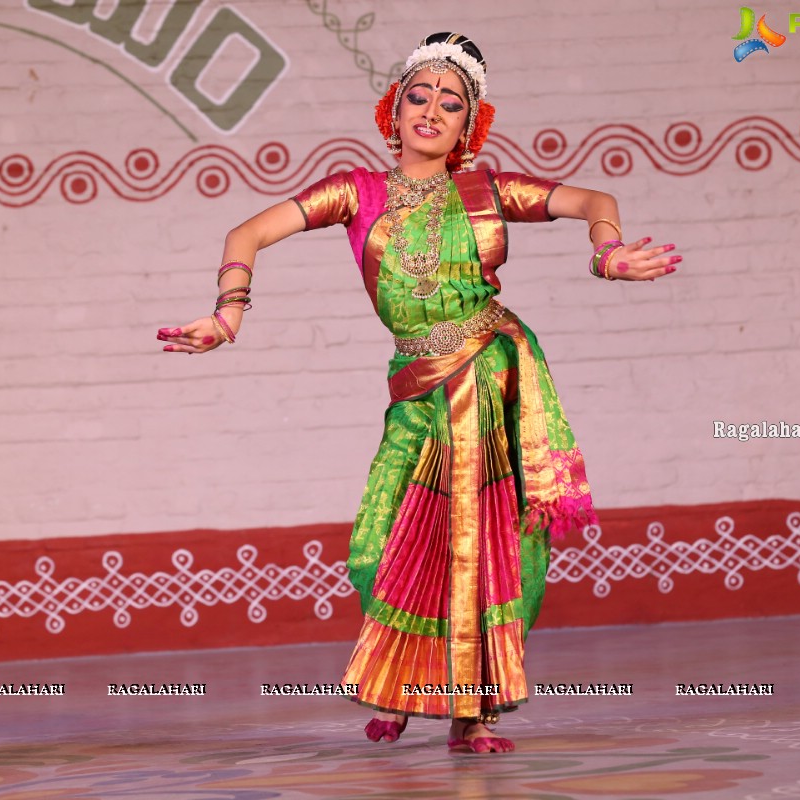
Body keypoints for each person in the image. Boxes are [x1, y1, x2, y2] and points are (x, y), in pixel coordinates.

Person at [158, 32, 679, 754]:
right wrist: (228, 314)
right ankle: (402, 684)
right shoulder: (355, 192)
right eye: (419, 95)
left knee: (480, 544)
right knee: (382, 542)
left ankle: (470, 714)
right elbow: (247, 231)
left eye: (452, 103)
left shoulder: (487, 191)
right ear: (393, 108)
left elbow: (593, 197)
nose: (432, 110)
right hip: (415, 388)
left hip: (485, 381)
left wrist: (608, 250)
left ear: (471, 126)